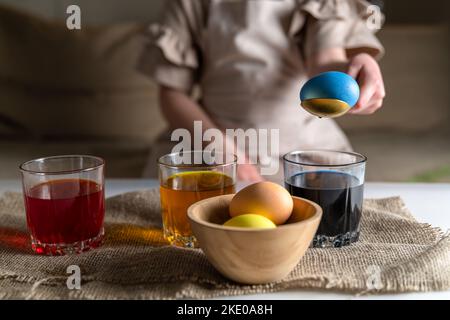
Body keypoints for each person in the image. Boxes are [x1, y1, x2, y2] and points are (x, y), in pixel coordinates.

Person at [138, 0, 385, 182]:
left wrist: (356, 69)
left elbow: (324, 63)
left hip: (302, 147)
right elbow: (173, 93)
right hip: (213, 142)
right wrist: (225, 154)